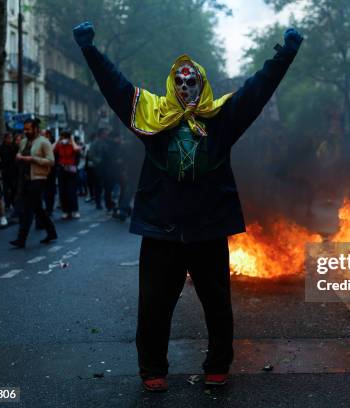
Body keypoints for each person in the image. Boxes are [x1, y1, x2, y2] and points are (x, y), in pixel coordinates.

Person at [74, 20, 302, 391]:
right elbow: (117, 89)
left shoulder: (223, 118)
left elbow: (256, 91)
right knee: (153, 307)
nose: (184, 87)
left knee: (217, 304)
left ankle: (217, 366)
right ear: (171, 85)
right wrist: (90, 51)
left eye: (191, 81)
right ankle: (153, 370)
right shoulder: (151, 116)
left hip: (208, 228)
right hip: (161, 228)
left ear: (202, 84)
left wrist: (284, 55)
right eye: (179, 82)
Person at [10, 118, 58, 248]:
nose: (26, 131)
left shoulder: (44, 142)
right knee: (38, 208)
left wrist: (33, 159)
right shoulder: (24, 141)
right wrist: (18, 157)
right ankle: (52, 232)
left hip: (38, 178)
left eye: (28, 129)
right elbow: (19, 154)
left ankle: (21, 239)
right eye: (24, 129)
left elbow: (51, 161)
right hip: (25, 178)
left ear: (36, 128)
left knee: (28, 209)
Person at [54, 130, 81, 219]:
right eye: (63, 137)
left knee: (71, 191)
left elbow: (77, 149)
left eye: (66, 137)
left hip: (71, 170)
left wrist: (71, 140)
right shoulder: (59, 145)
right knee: (62, 191)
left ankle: (75, 210)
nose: (64, 139)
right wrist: (58, 140)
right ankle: (65, 210)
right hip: (61, 170)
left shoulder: (72, 145)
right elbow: (51, 149)